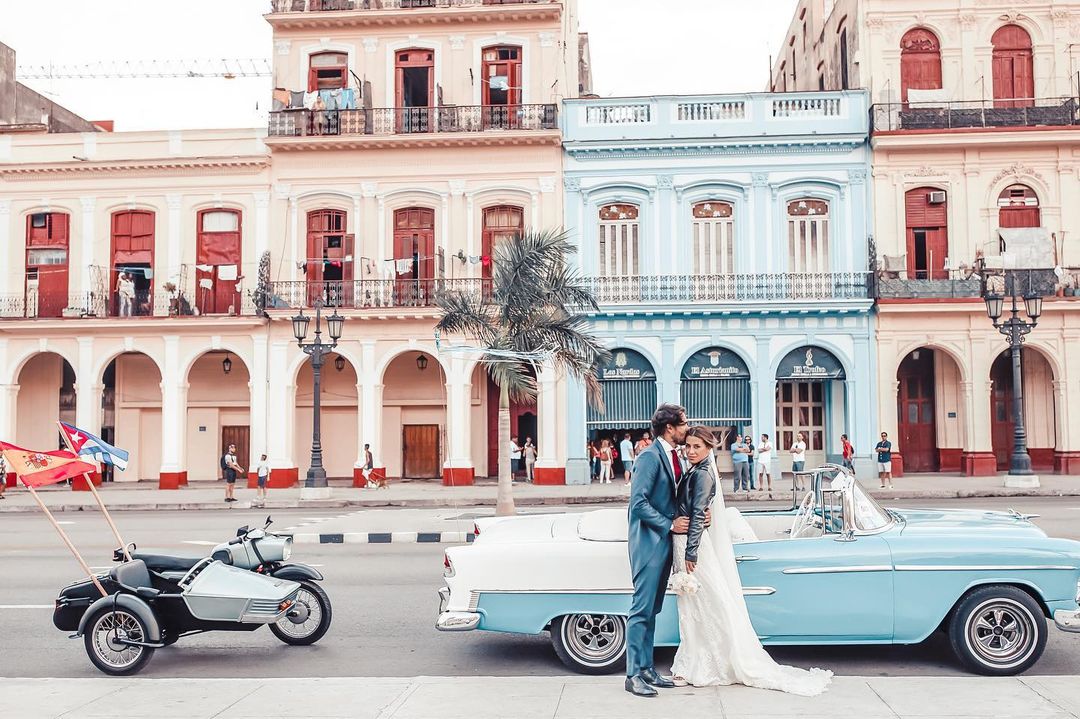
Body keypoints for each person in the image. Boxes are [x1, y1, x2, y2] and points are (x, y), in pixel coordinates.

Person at [668, 426, 832, 695]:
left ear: (709, 448)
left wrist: (691, 553)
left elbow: (698, 514)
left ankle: (710, 663)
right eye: (688, 446)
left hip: (691, 545)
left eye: (697, 446)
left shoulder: (703, 474)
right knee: (694, 607)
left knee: (706, 604)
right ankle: (693, 660)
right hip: (686, 541)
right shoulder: (696, 470)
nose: (691, 451)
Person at [625, 403, 690, 698]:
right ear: (670, 428)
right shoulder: (650, 457)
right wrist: (669, 524)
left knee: (652, 610)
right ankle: (632, 674)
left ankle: (648, 668)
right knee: (640, 611)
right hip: (650, 545)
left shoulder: (674, 455)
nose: (687, 429)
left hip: (665, 544)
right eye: (684, 424)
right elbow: (638, 504)